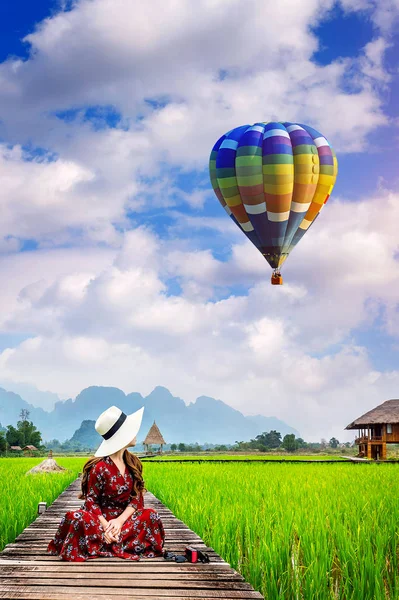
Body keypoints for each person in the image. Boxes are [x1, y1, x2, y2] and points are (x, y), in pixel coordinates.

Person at [47, 405, 165, 561]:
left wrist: (119, 521)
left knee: (152, 516)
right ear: (122, 435)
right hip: (100, 520)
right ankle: (110, 538)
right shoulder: (99, 468)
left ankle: (106, 540)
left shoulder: (134, 463)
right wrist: (106, 526)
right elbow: (91, 502)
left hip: (125, 520)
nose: (136, 433)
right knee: (76, 517)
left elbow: (137, 498)